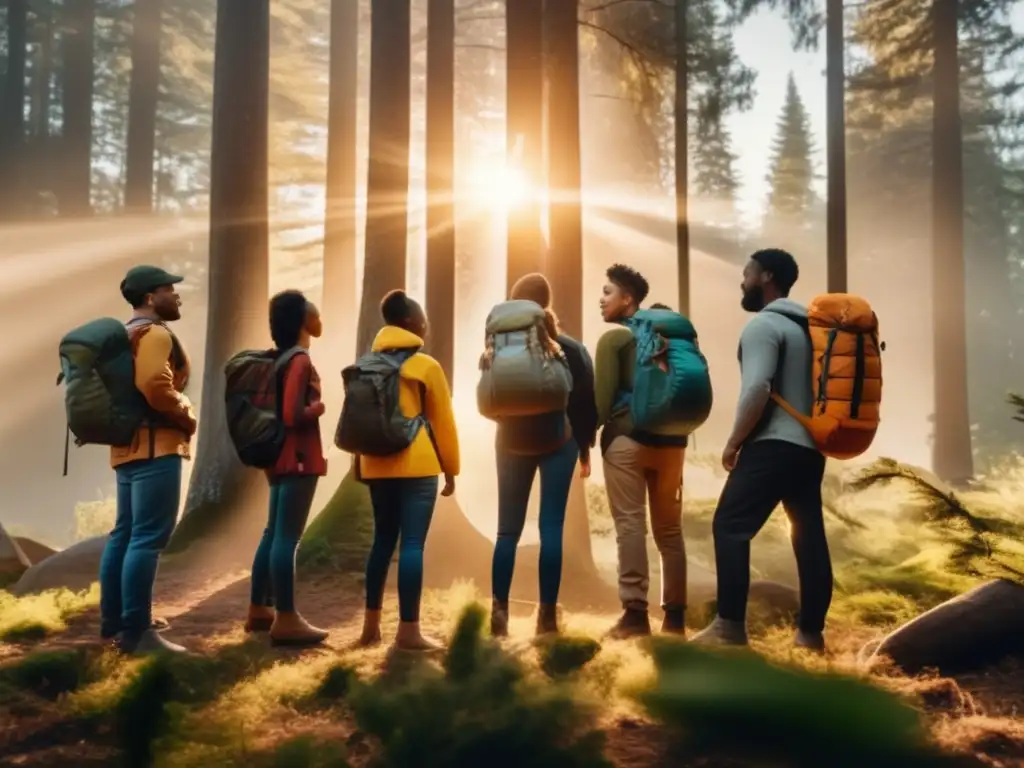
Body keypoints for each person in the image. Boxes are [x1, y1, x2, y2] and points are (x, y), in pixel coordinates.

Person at [691, 248, 830, 652]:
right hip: (810, 450)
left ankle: (729, 627)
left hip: (772, 444)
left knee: (729, 525)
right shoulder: (812, 329)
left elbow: (758, 388)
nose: (743, 280)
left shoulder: (764, 326)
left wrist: (734, 441)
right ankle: (810, 634)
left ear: (766, 276)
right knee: (809, 537)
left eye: (747, 272)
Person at [490, 273, 598, 638]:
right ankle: (547, 617)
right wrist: (584, 449)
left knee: (507, 531)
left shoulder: (499, 345)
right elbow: (586, 405)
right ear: (546, 302)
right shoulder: (570, 348)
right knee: (551, 528)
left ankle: (499, 614)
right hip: (559, 442)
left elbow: (491, 395)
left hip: (510, 441)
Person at [98, 265, 196, 655]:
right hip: (156, 446)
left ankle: (115, 623)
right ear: (150, 297)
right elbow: (155, 384)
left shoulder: (123, 336)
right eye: (169, 289)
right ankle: (138, 633)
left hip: (126, 447)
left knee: (124, 535)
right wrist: (185, 413)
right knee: (147, 538)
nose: (177, 296)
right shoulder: (154, 334)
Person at [357, 290, 460, 651]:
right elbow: (443, 424)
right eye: (422, 317)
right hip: (417, 464)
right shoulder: (426, 366)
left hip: (374, 464)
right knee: (412, 544)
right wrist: (451, 469)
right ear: (412, 324)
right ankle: (409, 631)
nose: (426, 322)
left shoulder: (366, 363)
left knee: (382, 542)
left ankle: (370, 629)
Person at [594, 264, 688, 639]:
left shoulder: (615, 341)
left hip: (627, 443)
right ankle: (676, 619)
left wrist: (586, 438)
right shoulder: (675, 340)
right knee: (669, 530)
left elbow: (601, 406)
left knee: (631, 525)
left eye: (607, 292)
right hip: (672, 445)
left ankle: (635, 615)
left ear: (627, 299)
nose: (601, 300)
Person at [245, 290, 329, 647]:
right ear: (301, 321)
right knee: (286, 538)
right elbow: (293, 414)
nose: (318, 315)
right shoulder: (299, 361)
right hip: (297, 457)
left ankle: (258, 609)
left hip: (277, 457)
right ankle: (287, 617)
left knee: (272, 532)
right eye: (312, 311)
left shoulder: (278, 359)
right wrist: (318, 409)